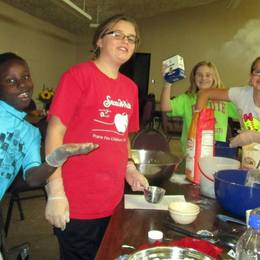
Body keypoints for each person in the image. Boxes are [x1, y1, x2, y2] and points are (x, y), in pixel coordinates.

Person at [44, 14, 149, 259]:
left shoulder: (130, 88)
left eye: (131, 38)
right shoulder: (77, 76)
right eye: (118, 34)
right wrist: (56, 190)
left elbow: (122, 137)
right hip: (77, 200)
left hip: (112, 200)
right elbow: (54, 132)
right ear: (99, 41)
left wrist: (129, 168)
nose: (126, 41)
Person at [0, 52, 98, 201]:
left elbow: (32, 178)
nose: (22, 85)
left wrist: (55, 159)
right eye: (11, 81)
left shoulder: (30, 133)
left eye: (26, 77)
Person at [160, 61, 239, 154]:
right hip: (192, 152)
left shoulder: (224, 99)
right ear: (194, 78)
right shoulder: (187, 98)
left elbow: (244, 113)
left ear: (214, 78)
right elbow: (165, 107)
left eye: (208, 75)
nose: (203, 78)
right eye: (199, 75)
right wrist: (167, 83)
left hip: (216, 152)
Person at [196, 57, 260, 147]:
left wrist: (252, 137)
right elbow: (204, 93)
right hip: (250, 158)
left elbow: (251, 137)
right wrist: (201, 129)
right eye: (258, 72)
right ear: (251, 75)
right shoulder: (242, 94)